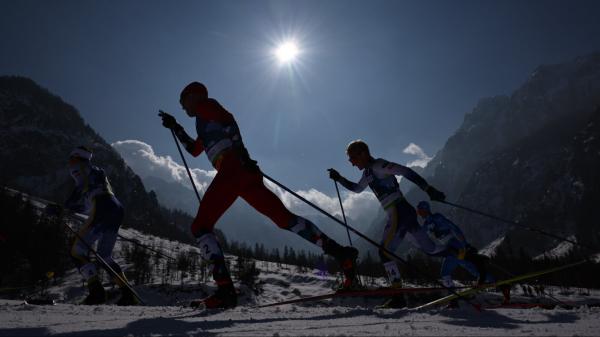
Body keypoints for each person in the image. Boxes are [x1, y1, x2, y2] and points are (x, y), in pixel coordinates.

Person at [159, 82, 359, 309]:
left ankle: (225, 291)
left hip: (232, 169)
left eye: (182, 102)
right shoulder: (203, 124)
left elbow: (229, 120)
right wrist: (175, 127)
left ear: (193, 96)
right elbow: (195, 150)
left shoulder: (206, 106)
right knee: (286, 220)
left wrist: (240, 152)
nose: (182, 108)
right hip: (244, 174)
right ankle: (341, 254)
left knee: (200, 227)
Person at [328, 139, 446, 308]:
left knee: (384, 253)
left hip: (400, 212)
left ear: (363, 153)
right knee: (431, 249)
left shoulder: (379, 165)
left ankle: (398, 297)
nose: (352, 163)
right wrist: (339, 178)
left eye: (353, 158)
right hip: (402, 213)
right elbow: (356, 189)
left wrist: (428, 189)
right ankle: (470, 257)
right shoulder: (368, 173)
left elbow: (406, 171)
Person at [47, 146, 136, 305]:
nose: (70, 164)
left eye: (71, 159)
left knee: (76, 251)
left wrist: (61, 208)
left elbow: (78, 194)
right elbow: (86, 203)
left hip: (102, 207)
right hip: (115, 208)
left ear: (77, 159)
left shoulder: (81, 168)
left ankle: (97, 293)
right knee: (105, 256)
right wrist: (66, 209)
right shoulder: (98, 175)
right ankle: (128, 294)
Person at [416, 200, 497, 307]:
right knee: (471, 269)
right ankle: (499, 283)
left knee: (445, 272)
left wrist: (465, 244)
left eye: (420, 211)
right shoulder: (426, 224)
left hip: (455, 247)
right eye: (418, 212)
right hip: (451, 248)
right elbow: (420, 235)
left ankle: (453, 300)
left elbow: (454, 228)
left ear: (426, 209)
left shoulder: (437, 217)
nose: (419, 214)